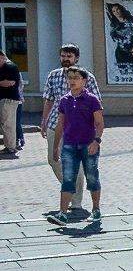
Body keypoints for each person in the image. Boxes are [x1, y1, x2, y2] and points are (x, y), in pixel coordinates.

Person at [40, 45, 98, 215]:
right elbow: (49, 100)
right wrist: (43, 121)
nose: (66, 58)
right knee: (53, 159)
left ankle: (76, 201)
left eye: (69, 56)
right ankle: (71, 190)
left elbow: (96, 103)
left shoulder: (87, 77)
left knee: (75, 164)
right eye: (63, 55)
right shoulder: (53, 76)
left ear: (76, 59)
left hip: (78, 127)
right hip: (54, 124)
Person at [46, 67, 103, 225]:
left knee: (92, 177)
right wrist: (56, 146)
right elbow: (60, 124)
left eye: (76, 78)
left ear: (84, 81)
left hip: (88, 144)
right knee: (68, 179)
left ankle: (96, 210)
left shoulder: (92, 100)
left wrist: (96, 141)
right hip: (69, 145)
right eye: (69, 78)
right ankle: (62, 214)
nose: (72, 81)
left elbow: (99, 123)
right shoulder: (64, 100)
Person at [0, 48, 19, 158]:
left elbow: (10, 83)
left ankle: (11, 147)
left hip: (9, 100)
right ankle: (9, 146)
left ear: (2, 57)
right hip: (4, 99)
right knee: (5, 124)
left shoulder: (10, 67)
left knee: (8, 124)